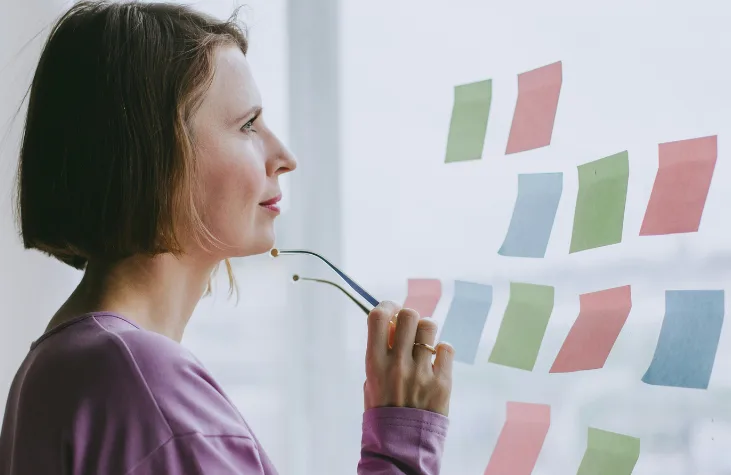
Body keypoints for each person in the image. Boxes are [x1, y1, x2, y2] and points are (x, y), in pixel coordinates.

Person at [0, 2, 455, 474]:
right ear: (155, 158)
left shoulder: (61, 365)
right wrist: (401, 446)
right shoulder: (141, 380)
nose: (284, 157)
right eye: (248, 126)